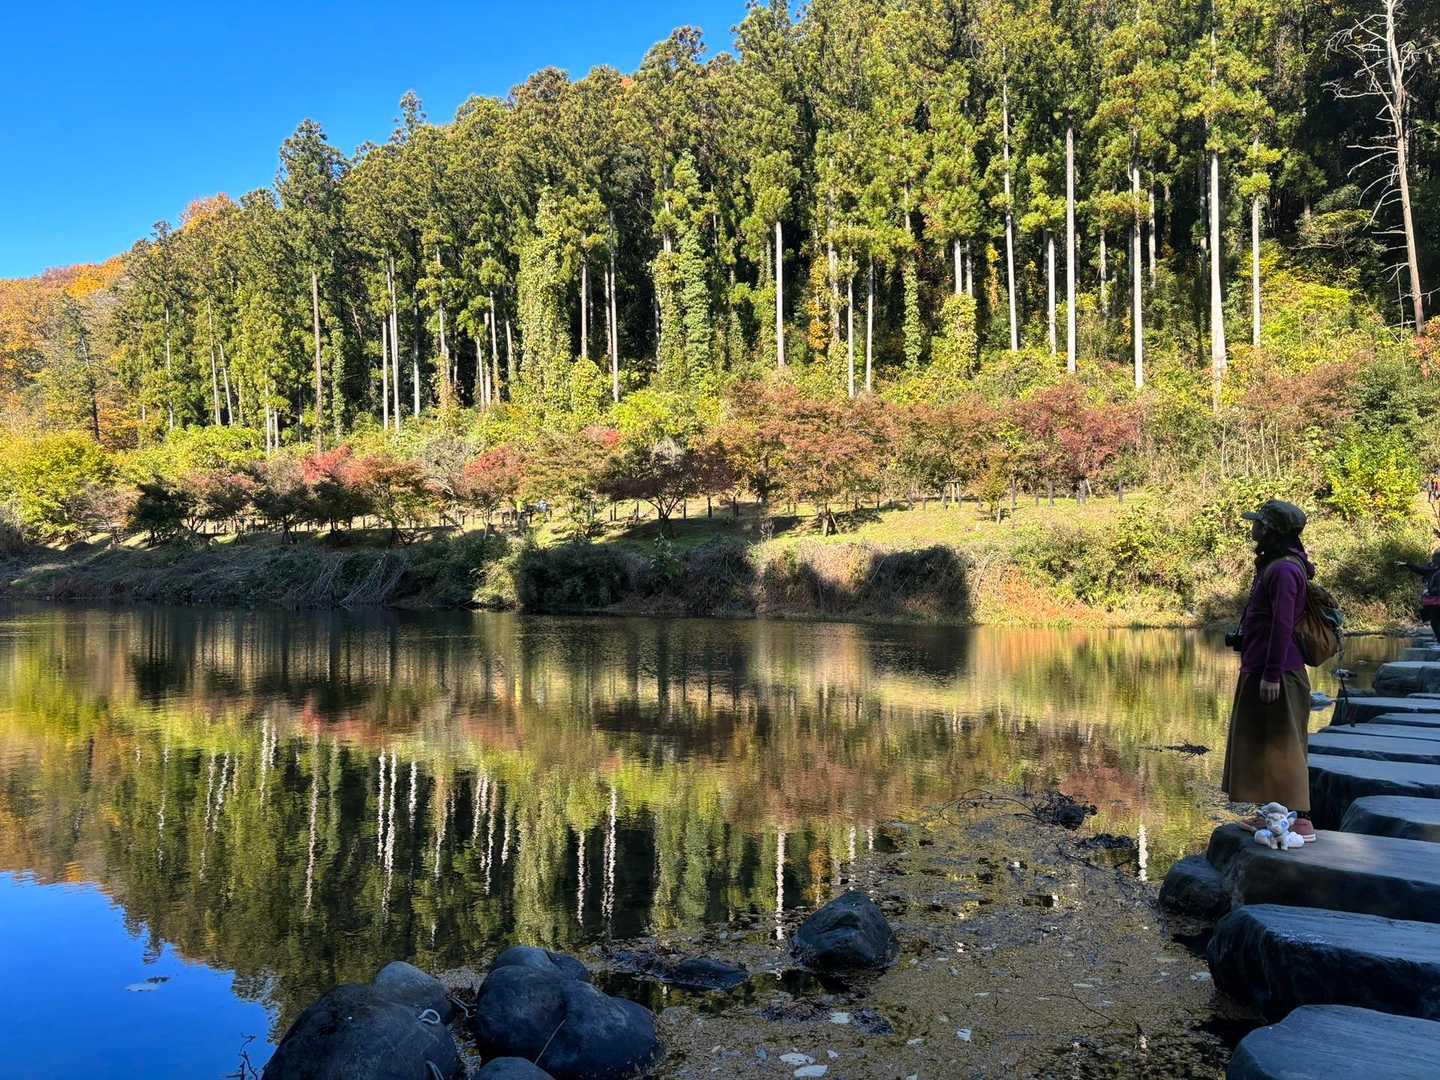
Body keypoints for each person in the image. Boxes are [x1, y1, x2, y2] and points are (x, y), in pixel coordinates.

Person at [1222, 499, 1318, 842]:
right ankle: (1273, 814)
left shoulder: (1284, 571)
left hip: (1278, 671)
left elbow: (1282, 625)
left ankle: (1300, 821)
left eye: (1259, 523)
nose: (1254, 527)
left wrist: (1272, 674)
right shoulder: (1275, 566)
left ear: (1272, 530)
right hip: (1262, 666)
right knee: (1264, 742)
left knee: (1284, 744)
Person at [1397, 549, 1440, 641]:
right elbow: (1421, 570)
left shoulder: (1433, 570)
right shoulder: (1432, 569)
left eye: (1434, 558)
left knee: (1434, 622)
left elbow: (1420, 570)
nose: (1432, 560)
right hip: (1434, 602)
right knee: (1434, 622)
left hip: (1434, 602)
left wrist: (1407, 564)